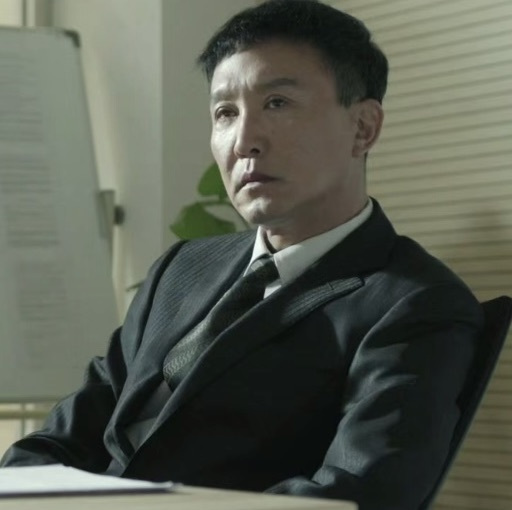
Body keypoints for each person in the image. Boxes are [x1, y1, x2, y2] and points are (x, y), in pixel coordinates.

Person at [1, 1, 483, 509]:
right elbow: (65, 437)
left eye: (277, 102)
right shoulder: (182, 269)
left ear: (363, 128)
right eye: (225, 113)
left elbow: (360, 493)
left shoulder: (416, 304)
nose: (244, 141)